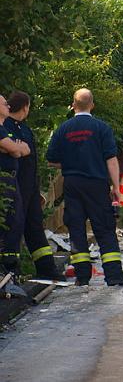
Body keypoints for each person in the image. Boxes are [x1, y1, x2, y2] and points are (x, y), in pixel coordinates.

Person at [46, 89, 123, 286]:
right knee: (103, 227)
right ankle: (113, 275)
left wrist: (70, 163)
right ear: (92, 105)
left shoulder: (63, 129)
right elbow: (111, 159)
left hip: (72, 185)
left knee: (76, 228)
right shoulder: (101, 128)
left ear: (73, 105)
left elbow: (51, 160)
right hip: (96, 183)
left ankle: (82, 276)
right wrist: (116, 187)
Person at [5, 92, 65, 281]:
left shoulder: (24, 129)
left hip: (30, 187)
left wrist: (36, 190)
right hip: (14, 187)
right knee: (13, 228)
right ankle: (10, 271)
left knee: (34, 226)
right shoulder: (5, 127)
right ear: (25, 107)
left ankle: (46, 267)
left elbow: (30, 159)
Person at [0, 93, 30, 281]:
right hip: (4, 181)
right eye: (4, 104)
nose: (8, 106)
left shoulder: (3, 129)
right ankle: (8, 268)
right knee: (9, 222)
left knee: (16, 222)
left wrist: (13, 149)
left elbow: (22, 150)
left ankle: (11, 268)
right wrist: (13, 148)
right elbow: (15, 150)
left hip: (11, 179)